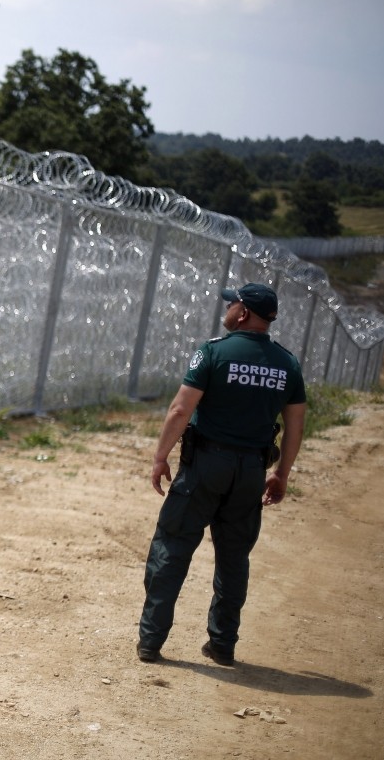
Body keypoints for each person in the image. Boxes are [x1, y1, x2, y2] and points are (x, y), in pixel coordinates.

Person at [136, 282, 306, 665]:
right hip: (250, 470)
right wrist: (281, 474)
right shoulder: (287, 364)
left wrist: (160, 456)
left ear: (243, 313)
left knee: (173, 547)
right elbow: (295, 425)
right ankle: (223, 644)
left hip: (205, 467)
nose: (227, 308)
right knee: (234, 558)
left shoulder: (214, 352)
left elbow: (180, 410)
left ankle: (151, 641)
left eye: (232, 303)